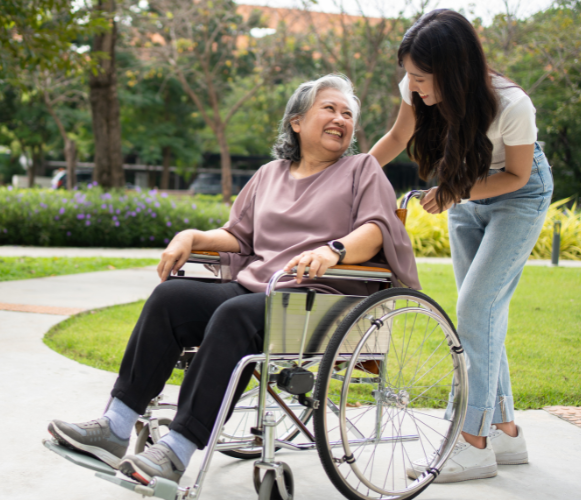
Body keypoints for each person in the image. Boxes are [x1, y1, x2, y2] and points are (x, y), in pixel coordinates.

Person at [47, 74, 420, 486]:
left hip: (321, 299)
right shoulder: (269, 174)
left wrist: (332, 250)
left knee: (234, 314)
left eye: (348, 113)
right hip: (257, 290)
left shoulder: (360, 169)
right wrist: (192, 236)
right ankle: (116, 427)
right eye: (329, 108)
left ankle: (176, 450)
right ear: (296, 121)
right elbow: (238, 235)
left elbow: (375, 230)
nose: (340, 119)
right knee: (170, 299)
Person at [369, 9, 553, 483]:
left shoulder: (513, 105)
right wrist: (350, 175)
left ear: (453, 71)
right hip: (464, 190)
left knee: (475, 308)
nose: (414, 86)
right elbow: (397, 136)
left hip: (518, 196)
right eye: (408, 75)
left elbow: (515, 175)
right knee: (483, 314)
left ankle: (472, 444)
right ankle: (506, 430)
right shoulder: (415, 87)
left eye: (422, 78)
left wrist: (454, 191)